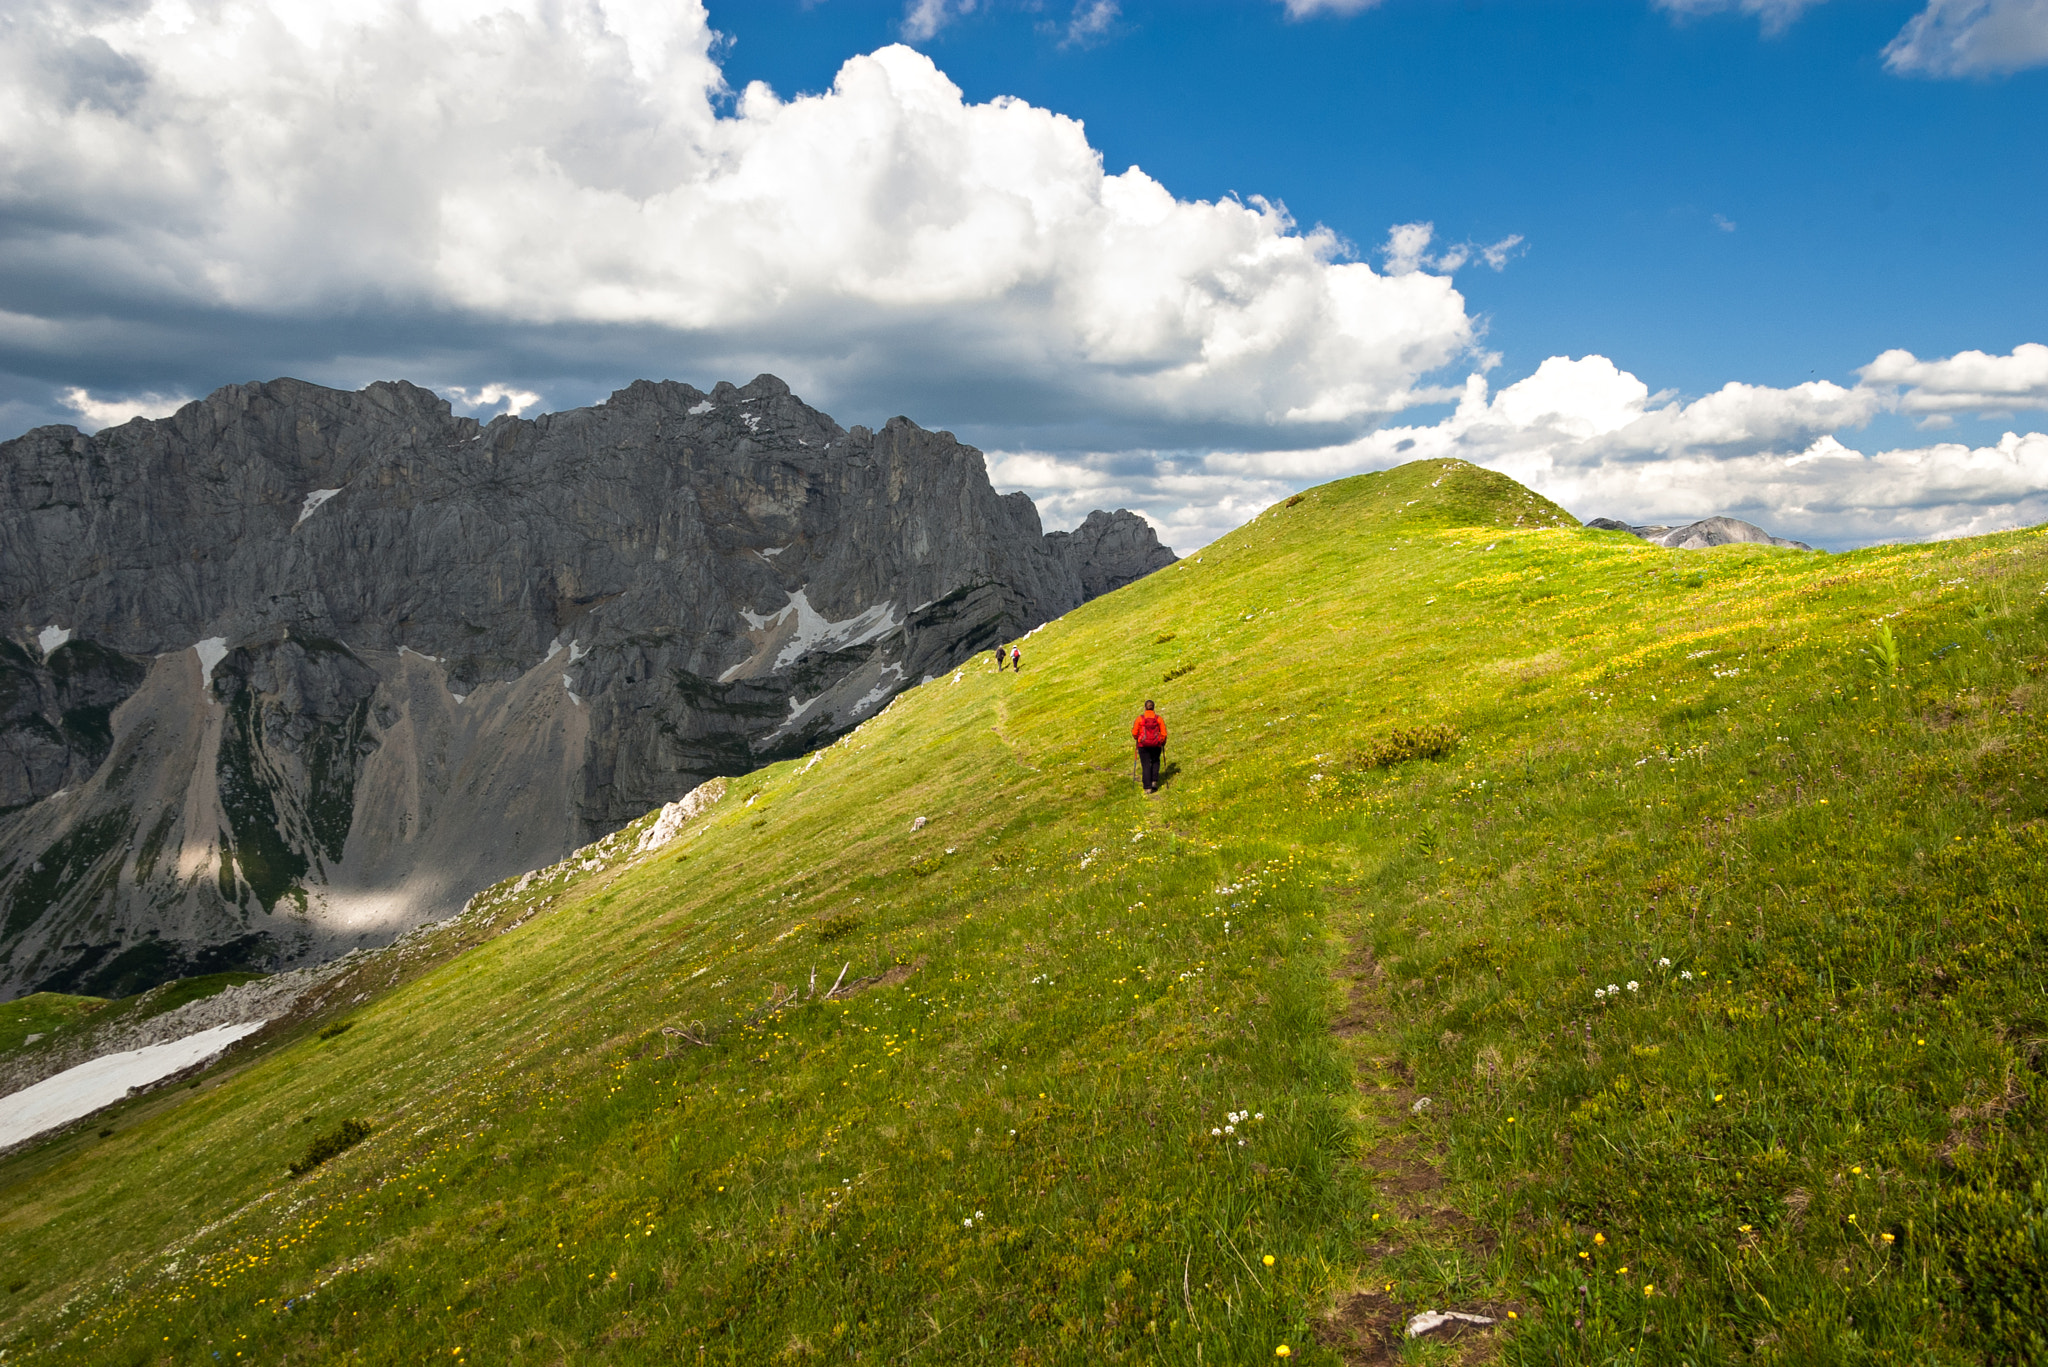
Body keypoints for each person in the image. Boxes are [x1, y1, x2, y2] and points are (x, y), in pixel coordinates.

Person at [1132, 699, 1167, 794]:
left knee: (1146, 765)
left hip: (1143, 745)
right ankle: (1154, 781)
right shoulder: (1158, 719)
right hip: (1156, 744)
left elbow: (1134, 732)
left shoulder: (1140, 719)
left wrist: (1137, 738)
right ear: (1153, 708)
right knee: (1155, 761)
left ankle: (1147, 787)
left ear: (1145, 708)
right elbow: (1164, 733)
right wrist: (1162, 742)